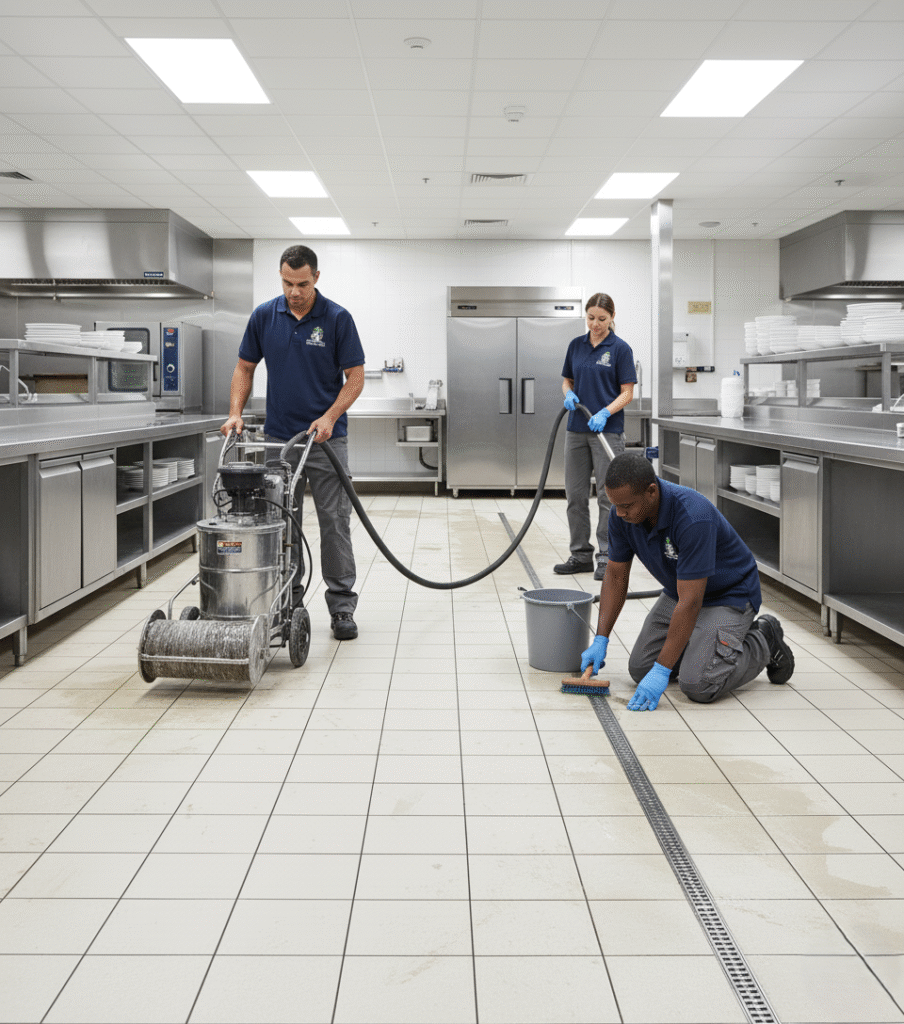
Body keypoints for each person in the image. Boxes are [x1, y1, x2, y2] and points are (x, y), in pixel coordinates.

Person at [221, 244, 365, 641]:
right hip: (278, 442)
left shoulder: (337, 318)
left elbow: (355, 376)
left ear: (316, 278)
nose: (294, 292)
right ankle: (289, 601)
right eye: (287, 283)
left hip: (326, 441)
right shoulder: (265, 315)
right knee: (283, 522)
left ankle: (341, 607)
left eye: (302, 284)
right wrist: (236, 410)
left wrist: (331, 416)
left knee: (334, 522)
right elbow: (244, 368)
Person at [581, 453, 794, 709]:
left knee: (698, 685)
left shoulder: (693, 516)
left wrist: (662, 670)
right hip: (679, 591)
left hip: (728, 595)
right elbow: (615, 576)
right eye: (615, 505)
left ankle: (764, 639)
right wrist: (601, 638)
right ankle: (701, 644)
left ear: (651, 492)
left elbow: (692, 601)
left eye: (626, 506)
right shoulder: (622, 514)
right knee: (640, 669)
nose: (619, 513)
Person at [556, 292, 636, 582]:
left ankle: (606, 556)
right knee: (575, 495)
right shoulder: (576, 345)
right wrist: (568, 394)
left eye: (602, 319)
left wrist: (604, 412)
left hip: (607, 431)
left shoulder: (620, 349)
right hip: (576, 428)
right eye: (591, 318)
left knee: (608, 496)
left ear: (612, 317)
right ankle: (579, 555)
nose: (596, 324)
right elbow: (567, 380)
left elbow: (627, 392)